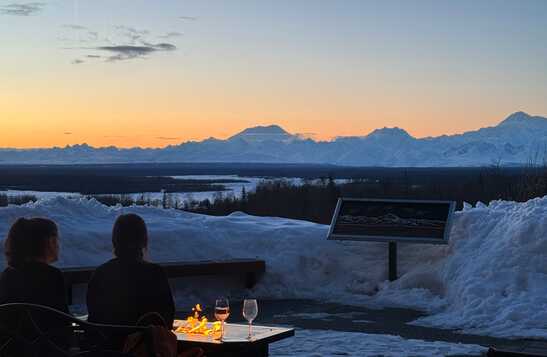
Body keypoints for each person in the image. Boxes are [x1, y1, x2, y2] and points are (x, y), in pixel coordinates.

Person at [86, 213, 175, 328]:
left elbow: (94, 318)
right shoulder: (155, 274)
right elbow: (166, 320)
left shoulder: (100, 274)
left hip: (105, 343)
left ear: (115, 240)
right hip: (144, 344)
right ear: (143, 241)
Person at [0, 217, 68, 313]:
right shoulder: (52, 275)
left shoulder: (7, 274)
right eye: (55, 240)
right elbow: (62, 319)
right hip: (45, 328)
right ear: (47, 242)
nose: (57, 245)